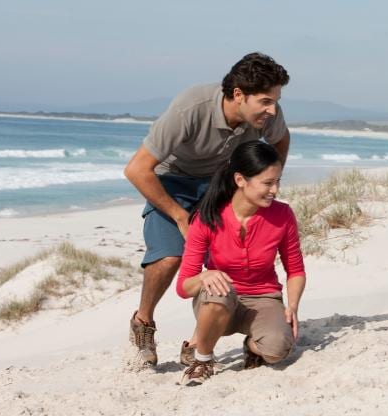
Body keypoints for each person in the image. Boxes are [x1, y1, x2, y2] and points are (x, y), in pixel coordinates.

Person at [124, 52, 291, 367]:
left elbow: (281, 140)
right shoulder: (191, 108)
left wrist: (266, 180)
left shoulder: (269, 113)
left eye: (275, 102)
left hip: (221, 182)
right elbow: (137, 170)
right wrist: (180, 216)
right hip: (172, 182)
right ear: (238, 95)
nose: (273, 110)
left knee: (224, 258)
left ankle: (197, 341)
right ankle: (143, 322)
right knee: (170, 257)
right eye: (266, 102)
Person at [177, 140, 306, 385]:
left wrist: (292, 306)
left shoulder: (283, 215)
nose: (275, 190)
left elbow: (296, 270)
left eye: (278, 181)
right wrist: (204, 276)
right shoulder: (207, 218)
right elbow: (183, 287)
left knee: (278, 349)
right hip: (220, 301)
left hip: (264, 298)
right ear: (240, 180)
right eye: (267, 183)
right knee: (218, 291)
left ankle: (251, 344)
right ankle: (202, 360)